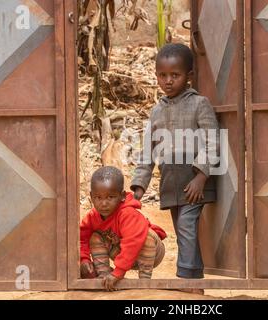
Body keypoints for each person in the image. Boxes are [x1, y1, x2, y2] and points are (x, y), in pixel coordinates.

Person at [130, 43, 220, 286]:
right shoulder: (157, 111)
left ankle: (185, 278)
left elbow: (213, 141)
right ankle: (194, 281)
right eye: (162, 75)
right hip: (171, 182)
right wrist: (139, 186)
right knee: (182, 232)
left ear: (189, 76)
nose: (168, 81)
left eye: (175, 75)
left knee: (187, 226)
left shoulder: (199, 104)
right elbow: (148, 151)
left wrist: (201, 176)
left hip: (194, 182)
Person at [80, 166, 166, 291]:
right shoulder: (92, 217)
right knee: (95, 237)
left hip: (151, 253)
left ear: (122, 196)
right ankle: (104, 277)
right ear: (91, 197)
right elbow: (82, 239)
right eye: (98, 198)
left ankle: (144, 283)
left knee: (146, 236)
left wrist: (118, 272)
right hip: (122, 253)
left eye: (110, 197)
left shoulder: (127, 213)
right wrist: (84, 259)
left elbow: (133, 242)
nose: (104, 203)